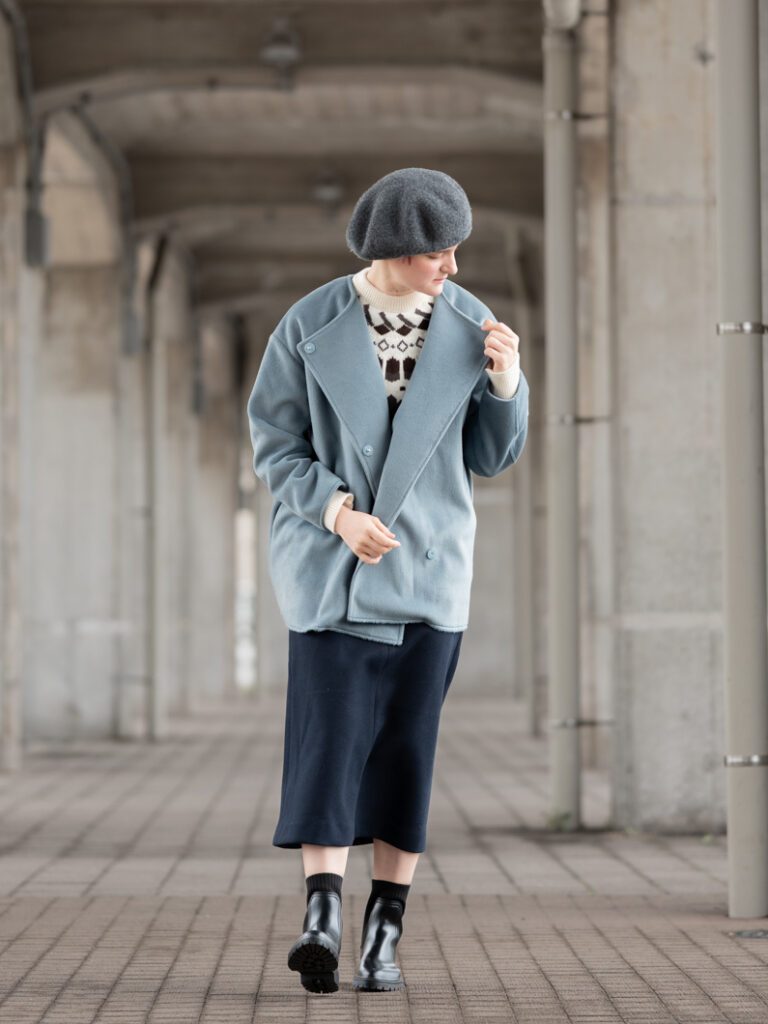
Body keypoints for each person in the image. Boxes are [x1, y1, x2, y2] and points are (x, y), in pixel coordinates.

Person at [246, 167, 530, 994]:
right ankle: (322, 915)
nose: (452, 265)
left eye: (455, 251)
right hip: (332, 574)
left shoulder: (471, 323)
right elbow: (274, 445)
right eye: (439, 252)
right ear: (398, 250)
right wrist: (338, 513)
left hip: (427, 572)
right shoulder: (310, 323)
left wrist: (506, 384)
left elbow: (491, 457)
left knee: (407, 752)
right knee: (328, 745)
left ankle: (384, 932)